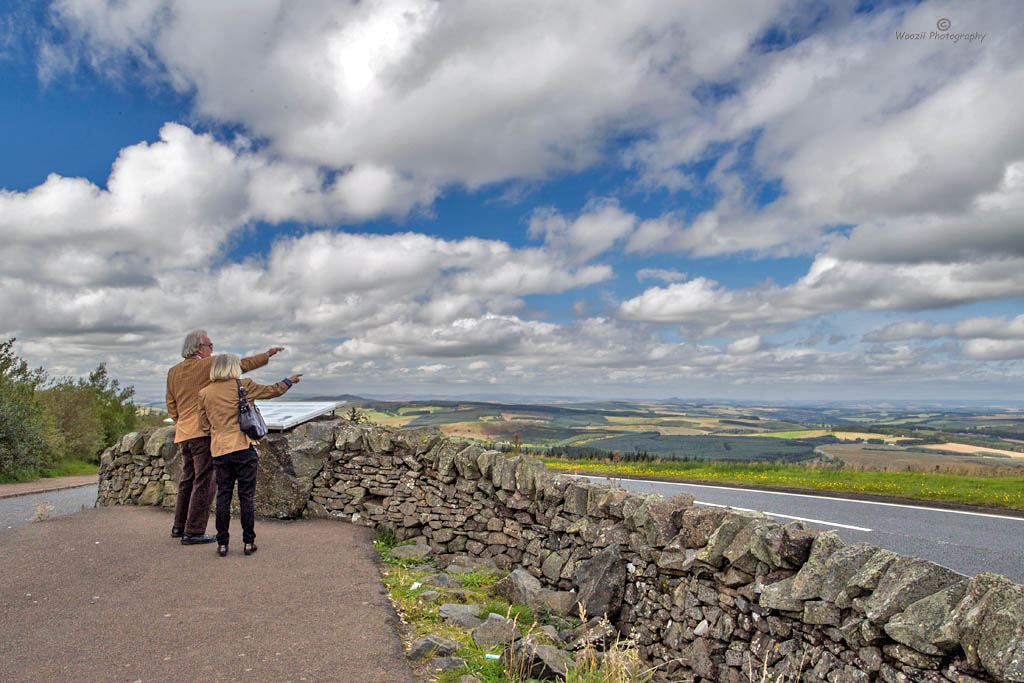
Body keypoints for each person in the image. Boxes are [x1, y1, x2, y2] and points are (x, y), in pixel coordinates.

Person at [165, 330, 284, 545]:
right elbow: (241, 365)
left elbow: (171, 405)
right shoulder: (205, 365)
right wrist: (267, 355)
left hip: (183, 433)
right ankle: (193, 531)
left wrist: (181, 423)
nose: (213, 350)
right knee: (205, 481)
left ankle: (179, 526)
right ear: (200, 348)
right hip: (202, 434)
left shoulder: (173, 372)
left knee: (187, 479)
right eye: (211, 345)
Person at [198, 353, 301, 557]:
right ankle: (248, 542)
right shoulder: (243, 385)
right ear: (232, 368)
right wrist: (289, 381)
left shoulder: (205, 393)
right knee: (246, 496)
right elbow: (272, 391)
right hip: (243, 447)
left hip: (219, 450)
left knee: (223, 496)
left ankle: (222, 544)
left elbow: (203, 426)